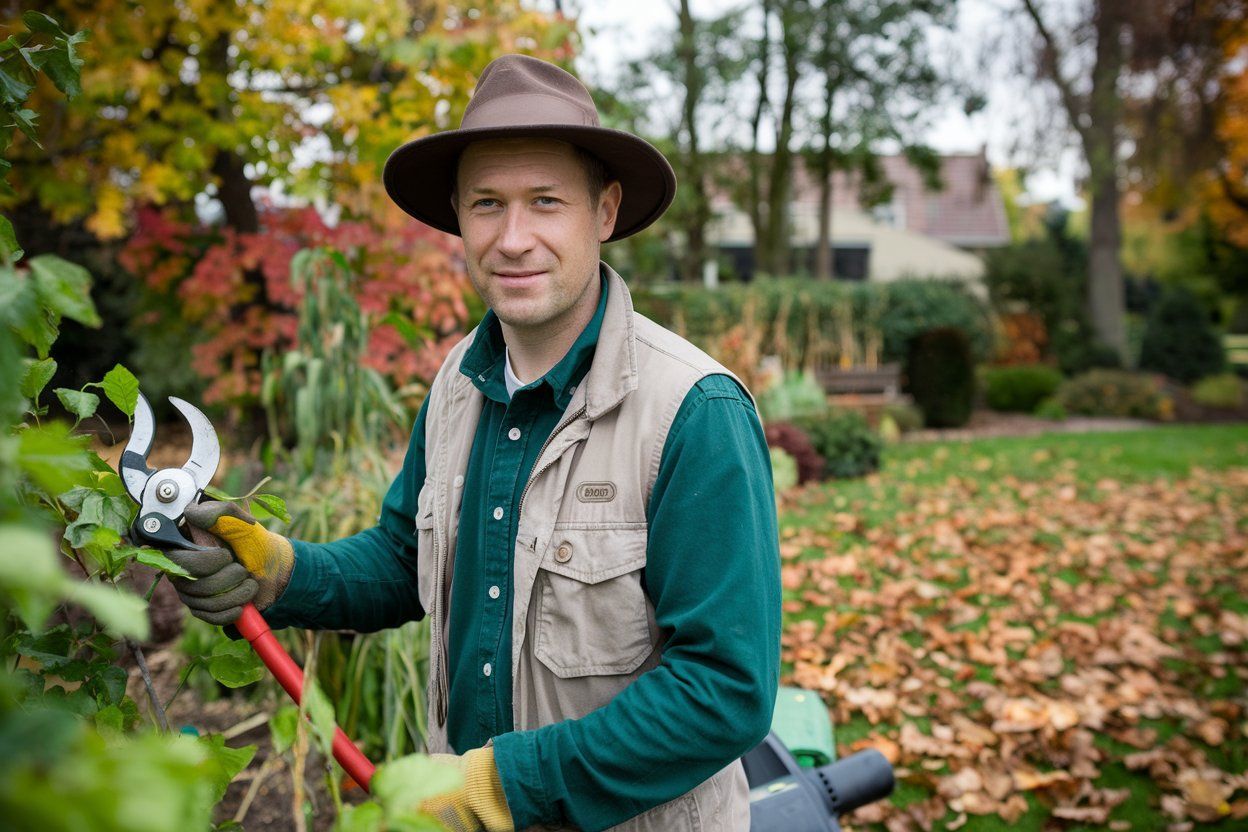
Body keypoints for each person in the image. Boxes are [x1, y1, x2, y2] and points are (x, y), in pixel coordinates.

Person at [167, 54, 781, 832]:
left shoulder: (692, 411)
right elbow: (403, 561)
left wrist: (503, 785)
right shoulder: (458, 382)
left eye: (546, 202)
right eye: (487, 203)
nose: (513, 238)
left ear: (606, 211)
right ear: (458, 215)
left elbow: (725, 692)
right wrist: (282, 573)